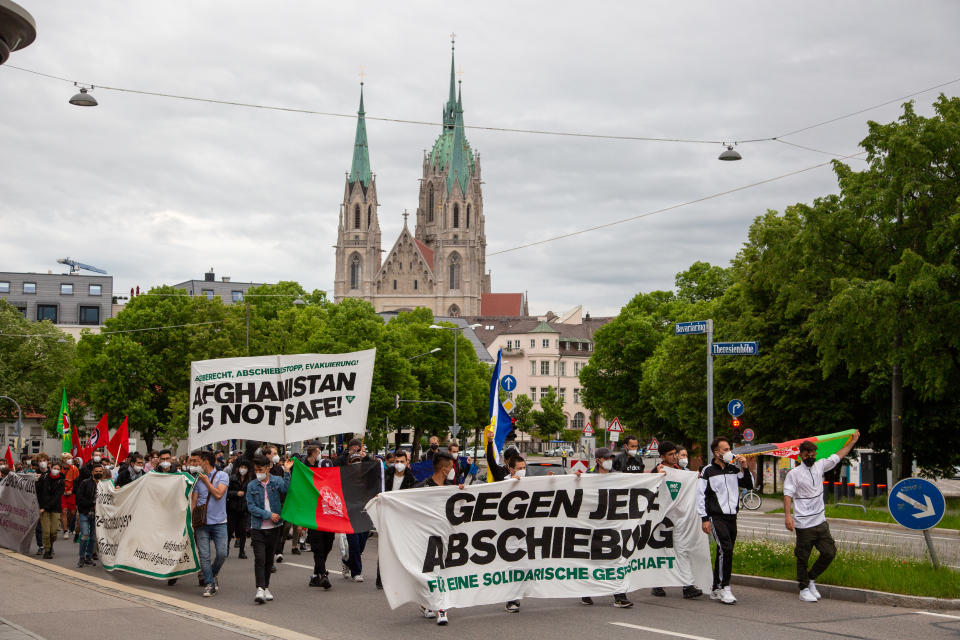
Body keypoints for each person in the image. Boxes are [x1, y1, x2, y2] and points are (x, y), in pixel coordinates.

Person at [784, 430, 859, 602]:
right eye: (808, 454)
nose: (811, 456)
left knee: (829, 552)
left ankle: (810, 578)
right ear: (801, 455)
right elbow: (787, 495)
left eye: (813, 453)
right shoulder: (793, 474)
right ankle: (803, 589)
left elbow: (838, 456)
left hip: (820, 521)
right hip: (803, 523)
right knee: (802, 556)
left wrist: (852, 442)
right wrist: (788, 516)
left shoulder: (820, 465)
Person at [697, 436, 754, 605]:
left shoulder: (733, 469)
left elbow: (749, 485)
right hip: (716, 516)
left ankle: (715, 587)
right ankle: (725, 587)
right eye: (725, 449)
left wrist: (745, 468)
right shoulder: (707, 471)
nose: (729, 452)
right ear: (716, 452)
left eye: (729, 449)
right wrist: (705, 519)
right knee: (726, 549)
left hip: (732, 516)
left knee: (724, 551)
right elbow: (700, 496)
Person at [648, 442, 702, 599]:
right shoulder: (657, 470)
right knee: (661, 552)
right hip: (661, 519)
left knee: (682, 550)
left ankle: (688, 586)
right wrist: (656, 477)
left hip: (679, 519)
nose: (675, 457)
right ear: (662, 456)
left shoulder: (680, 471)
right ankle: (657, 584)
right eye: (670, 454)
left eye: (675, 453)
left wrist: (695, 478)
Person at [581, 447, 633, 608]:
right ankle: (585, 591)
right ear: (598, 460)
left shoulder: (617, 476)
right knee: (592, 559)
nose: (609, 461)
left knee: (616, 558)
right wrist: (577, 479)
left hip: (613, 524)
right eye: (606, 458)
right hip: (593, 524)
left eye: (611, 458)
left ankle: (619, 595)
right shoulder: (589, 476)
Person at [414, 451, 462, 625]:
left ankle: (435, 605)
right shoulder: (421, 488)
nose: (453, 470)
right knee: (430, 572)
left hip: (447, 537)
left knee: (443, 572)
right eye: (451, 467)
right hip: (426, 538)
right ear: (444, 469)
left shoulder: (452, 487)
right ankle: (435, 606)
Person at [246, 454, 294, 604]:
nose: (258, 472)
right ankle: (259, 588)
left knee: (268, 559)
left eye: (260, 469)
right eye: (255, 470)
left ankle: (266, 587)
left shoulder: (277, 481)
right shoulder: (252, 485)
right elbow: (251, 506)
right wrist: (268, 515)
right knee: (259, 558)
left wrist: (287, 471)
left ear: (268, 468)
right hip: (258, 528)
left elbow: (287, 488)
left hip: (274, 528)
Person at [375, 449, 418, 589]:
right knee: (384, 547)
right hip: (386, 515)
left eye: (402, 462)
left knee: (402, 548)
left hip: (402, 517)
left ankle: (400, 578)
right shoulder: (385, 475)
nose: (399, 464)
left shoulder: (411, 479)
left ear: (407, 462)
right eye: (397, 462)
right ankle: (380, 579)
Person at [194, 451, 230, 597]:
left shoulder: (222, 476)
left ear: (205, 462)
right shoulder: (197, 479)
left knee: (222, 553)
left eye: (198, 461)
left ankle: (212, 573)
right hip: (201, 523)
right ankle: (209, 583)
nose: (196, 464)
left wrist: (207, 482)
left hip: (220, 522)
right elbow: (194, 501)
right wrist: (191, 520)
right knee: (204, 555)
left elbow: (218, 494)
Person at [304, 445, 336, 591]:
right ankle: (323, 575)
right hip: (314, 520)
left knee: (328, 546)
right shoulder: (311, 482)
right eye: (324, 469)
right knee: (318, 548)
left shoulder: (334, 483)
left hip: (329, 521)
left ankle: (316, 575)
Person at [502, 455, 528, 613]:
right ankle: (511, 598)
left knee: (524, 567)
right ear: (511, 470)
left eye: (524, 468)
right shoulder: (504, 483)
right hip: (507, 533)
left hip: (525, 532)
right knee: (511, 566)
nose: (523, 471)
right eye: (520, 468)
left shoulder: (531, 483)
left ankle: (516, 594)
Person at [75, 461, 104, 568]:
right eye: (96, 471)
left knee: (93, 538)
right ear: (92, 472)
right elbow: (79, 498)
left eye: (100, 471)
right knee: (85, 535)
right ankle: (81, 557)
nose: (98, 473)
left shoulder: (105, 485)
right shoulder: (85, 483)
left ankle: (88, 557)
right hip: (85, 513)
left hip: (97, 516)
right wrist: (92, 504)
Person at [36, 460, 65, 559]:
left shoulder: (61, 481)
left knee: (53, 532)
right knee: (46, 532)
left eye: (58, 469)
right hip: (43, 509)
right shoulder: (44, 478)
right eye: (54, 468)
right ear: (50, 468)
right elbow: (38, 492)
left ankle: (50, 544)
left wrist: (45, 507)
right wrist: (40, 506)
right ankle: (47, 550)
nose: (55, 470)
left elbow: (57, 497)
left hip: (55, 508)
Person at [227, 459, 251, 560]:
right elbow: (227, 493)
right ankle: (226, 549)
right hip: (232, 508)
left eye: (245, 468)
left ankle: (242, 551)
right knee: (229, 530)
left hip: (244, 509)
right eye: (242, 467)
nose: (243, 469)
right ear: (238, 468)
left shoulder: (249, 480)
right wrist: (236, 493)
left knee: (243, 531)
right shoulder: (232, 478)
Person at [60, 453, 79, 541]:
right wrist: (63, 490)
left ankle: (66, 525)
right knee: (63, 511)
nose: (69, 459)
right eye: (67, 458)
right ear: (63, 460)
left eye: (70, 458)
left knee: (72, 512)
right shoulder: (59, 469)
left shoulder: (74, 468)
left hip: (71, 493)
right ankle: (65, 531)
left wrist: (71, 490)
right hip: (62, 493)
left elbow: (77, 481)